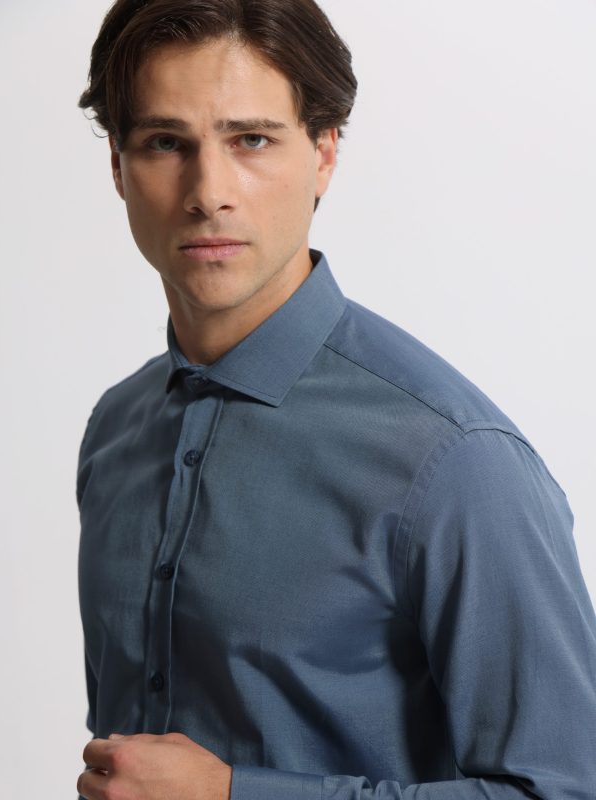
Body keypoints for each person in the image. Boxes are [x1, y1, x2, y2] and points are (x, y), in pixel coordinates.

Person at [75, 1, 596, 798]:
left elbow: (566, 788)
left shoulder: (455, 460)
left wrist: (234, 795)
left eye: (251, 140)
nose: (208, 192)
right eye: (166, 143)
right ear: (118, 165)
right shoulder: (117, 430)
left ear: (324, 154)